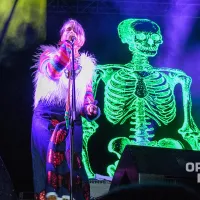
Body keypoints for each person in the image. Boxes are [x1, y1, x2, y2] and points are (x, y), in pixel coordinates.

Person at [31, 18, 100, 200]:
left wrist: (91, 109)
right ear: (62, 36)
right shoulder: (48, 55)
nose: (72, 32)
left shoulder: (86, 67)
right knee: (50, 160)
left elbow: (87, 98)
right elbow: (53, 72)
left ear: (82, 39)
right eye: (68, 29)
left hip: (72, 119)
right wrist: (66, 51)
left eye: (76, 31)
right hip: (47, 116)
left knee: (73, 163)